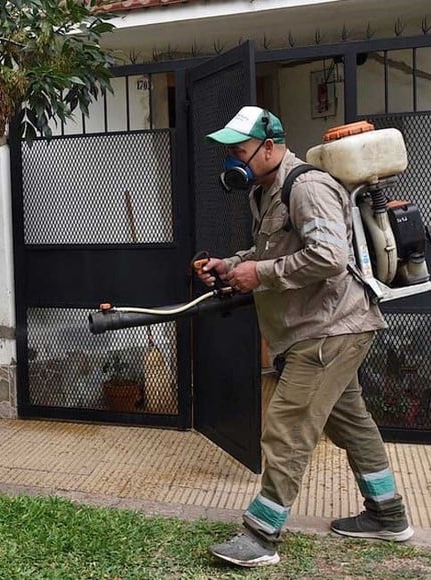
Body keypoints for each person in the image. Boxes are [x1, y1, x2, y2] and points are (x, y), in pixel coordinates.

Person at [196, 106, 414, 568]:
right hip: (319, 327)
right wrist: (232, 265)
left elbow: (329, 258)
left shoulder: (307, 186)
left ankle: (261, 535)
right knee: (350, 423)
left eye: (239, 151)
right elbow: (270, 251)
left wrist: (261, 274)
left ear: (270, 146)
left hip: (329, 328)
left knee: (287, 428)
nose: (232, 162)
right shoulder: (266, 191)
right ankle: (388, 515)